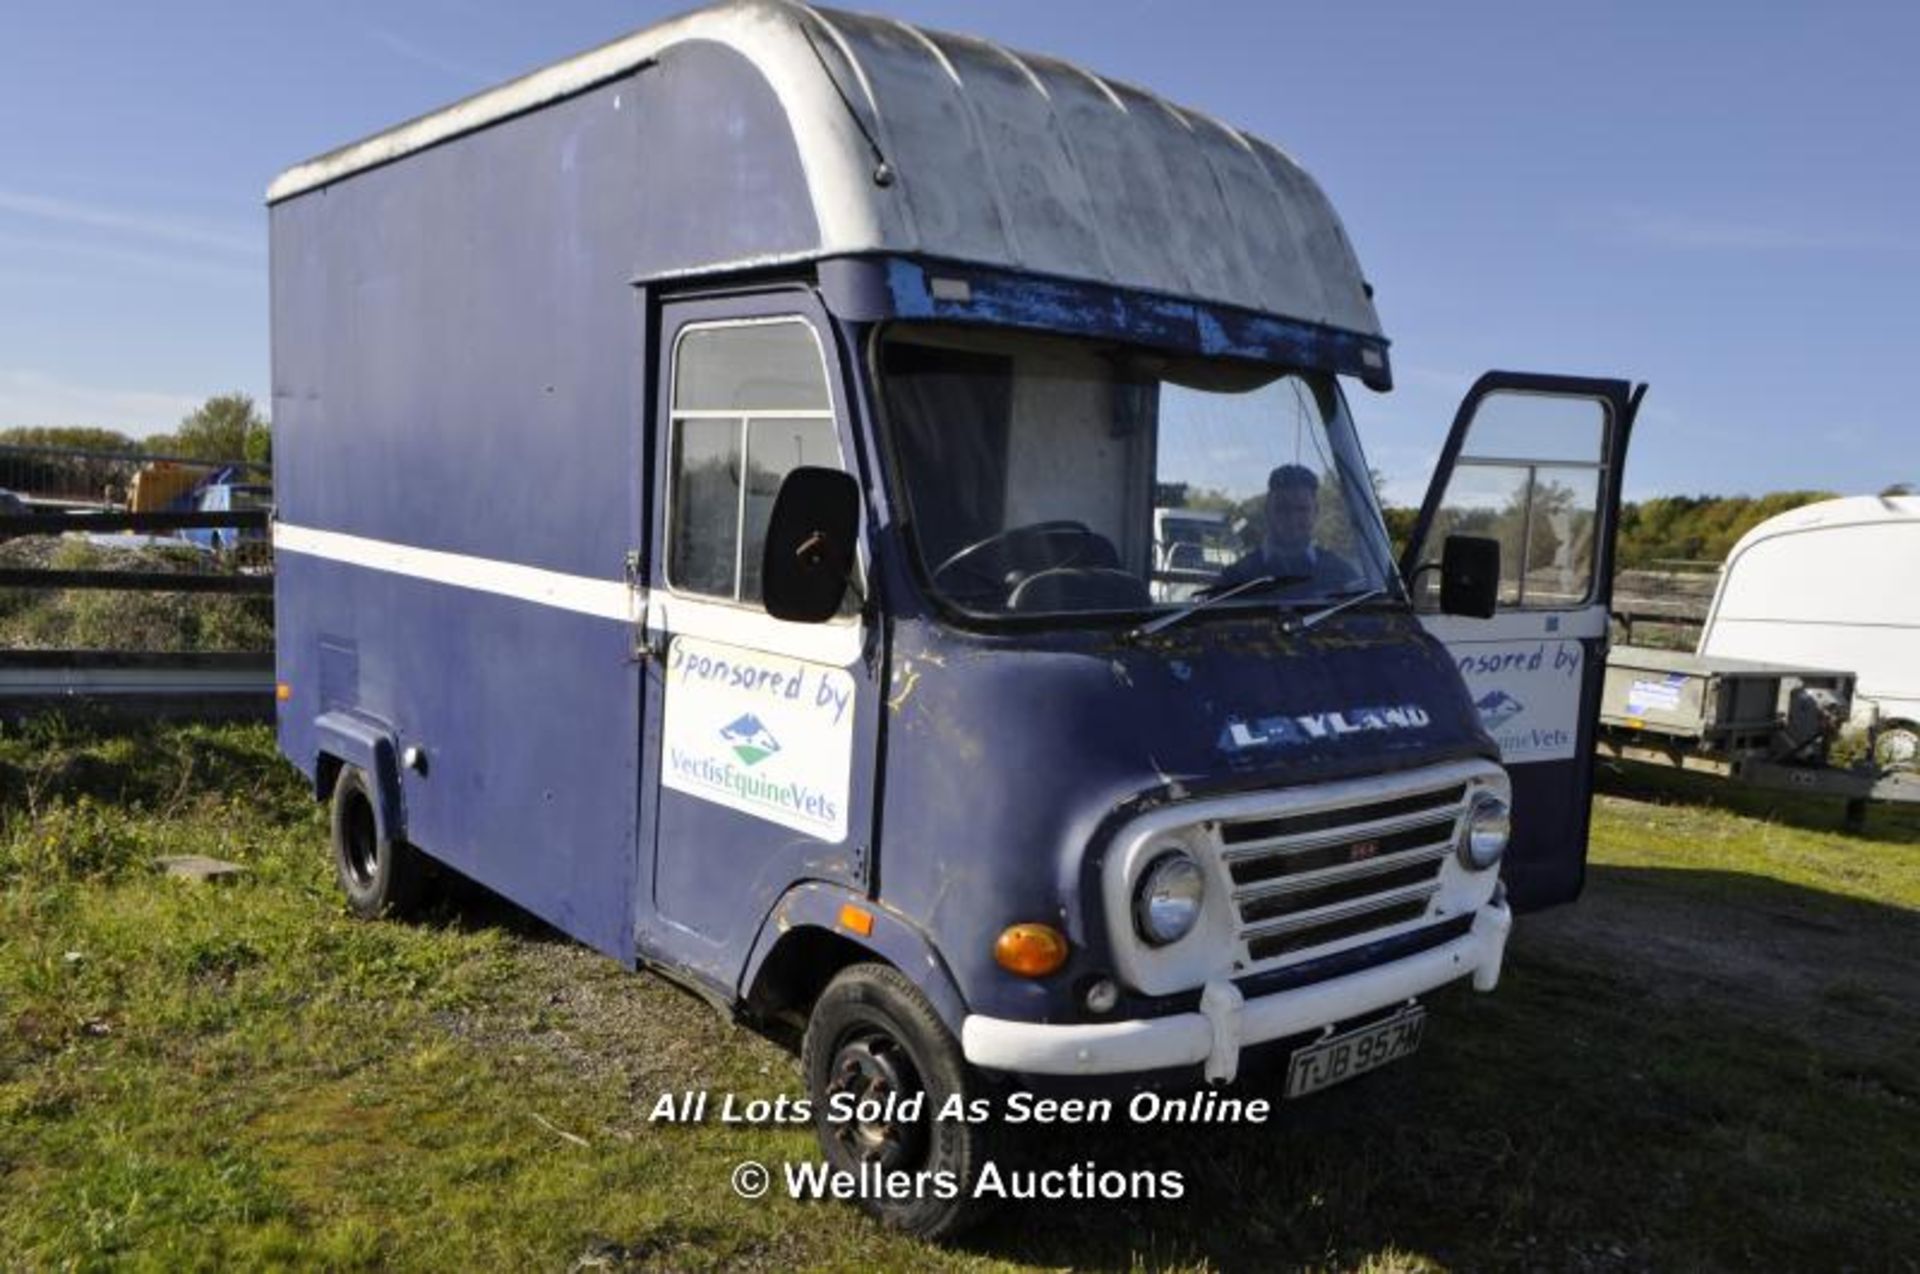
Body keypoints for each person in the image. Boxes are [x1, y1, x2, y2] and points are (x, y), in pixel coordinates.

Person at [1212, 464, 1357, 591]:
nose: (1292, 519)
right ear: (1267, 510)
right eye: (1282, 508)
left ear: (1316, 512)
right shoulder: (1235, 579)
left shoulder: (1342, 575)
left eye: (1302, 509)